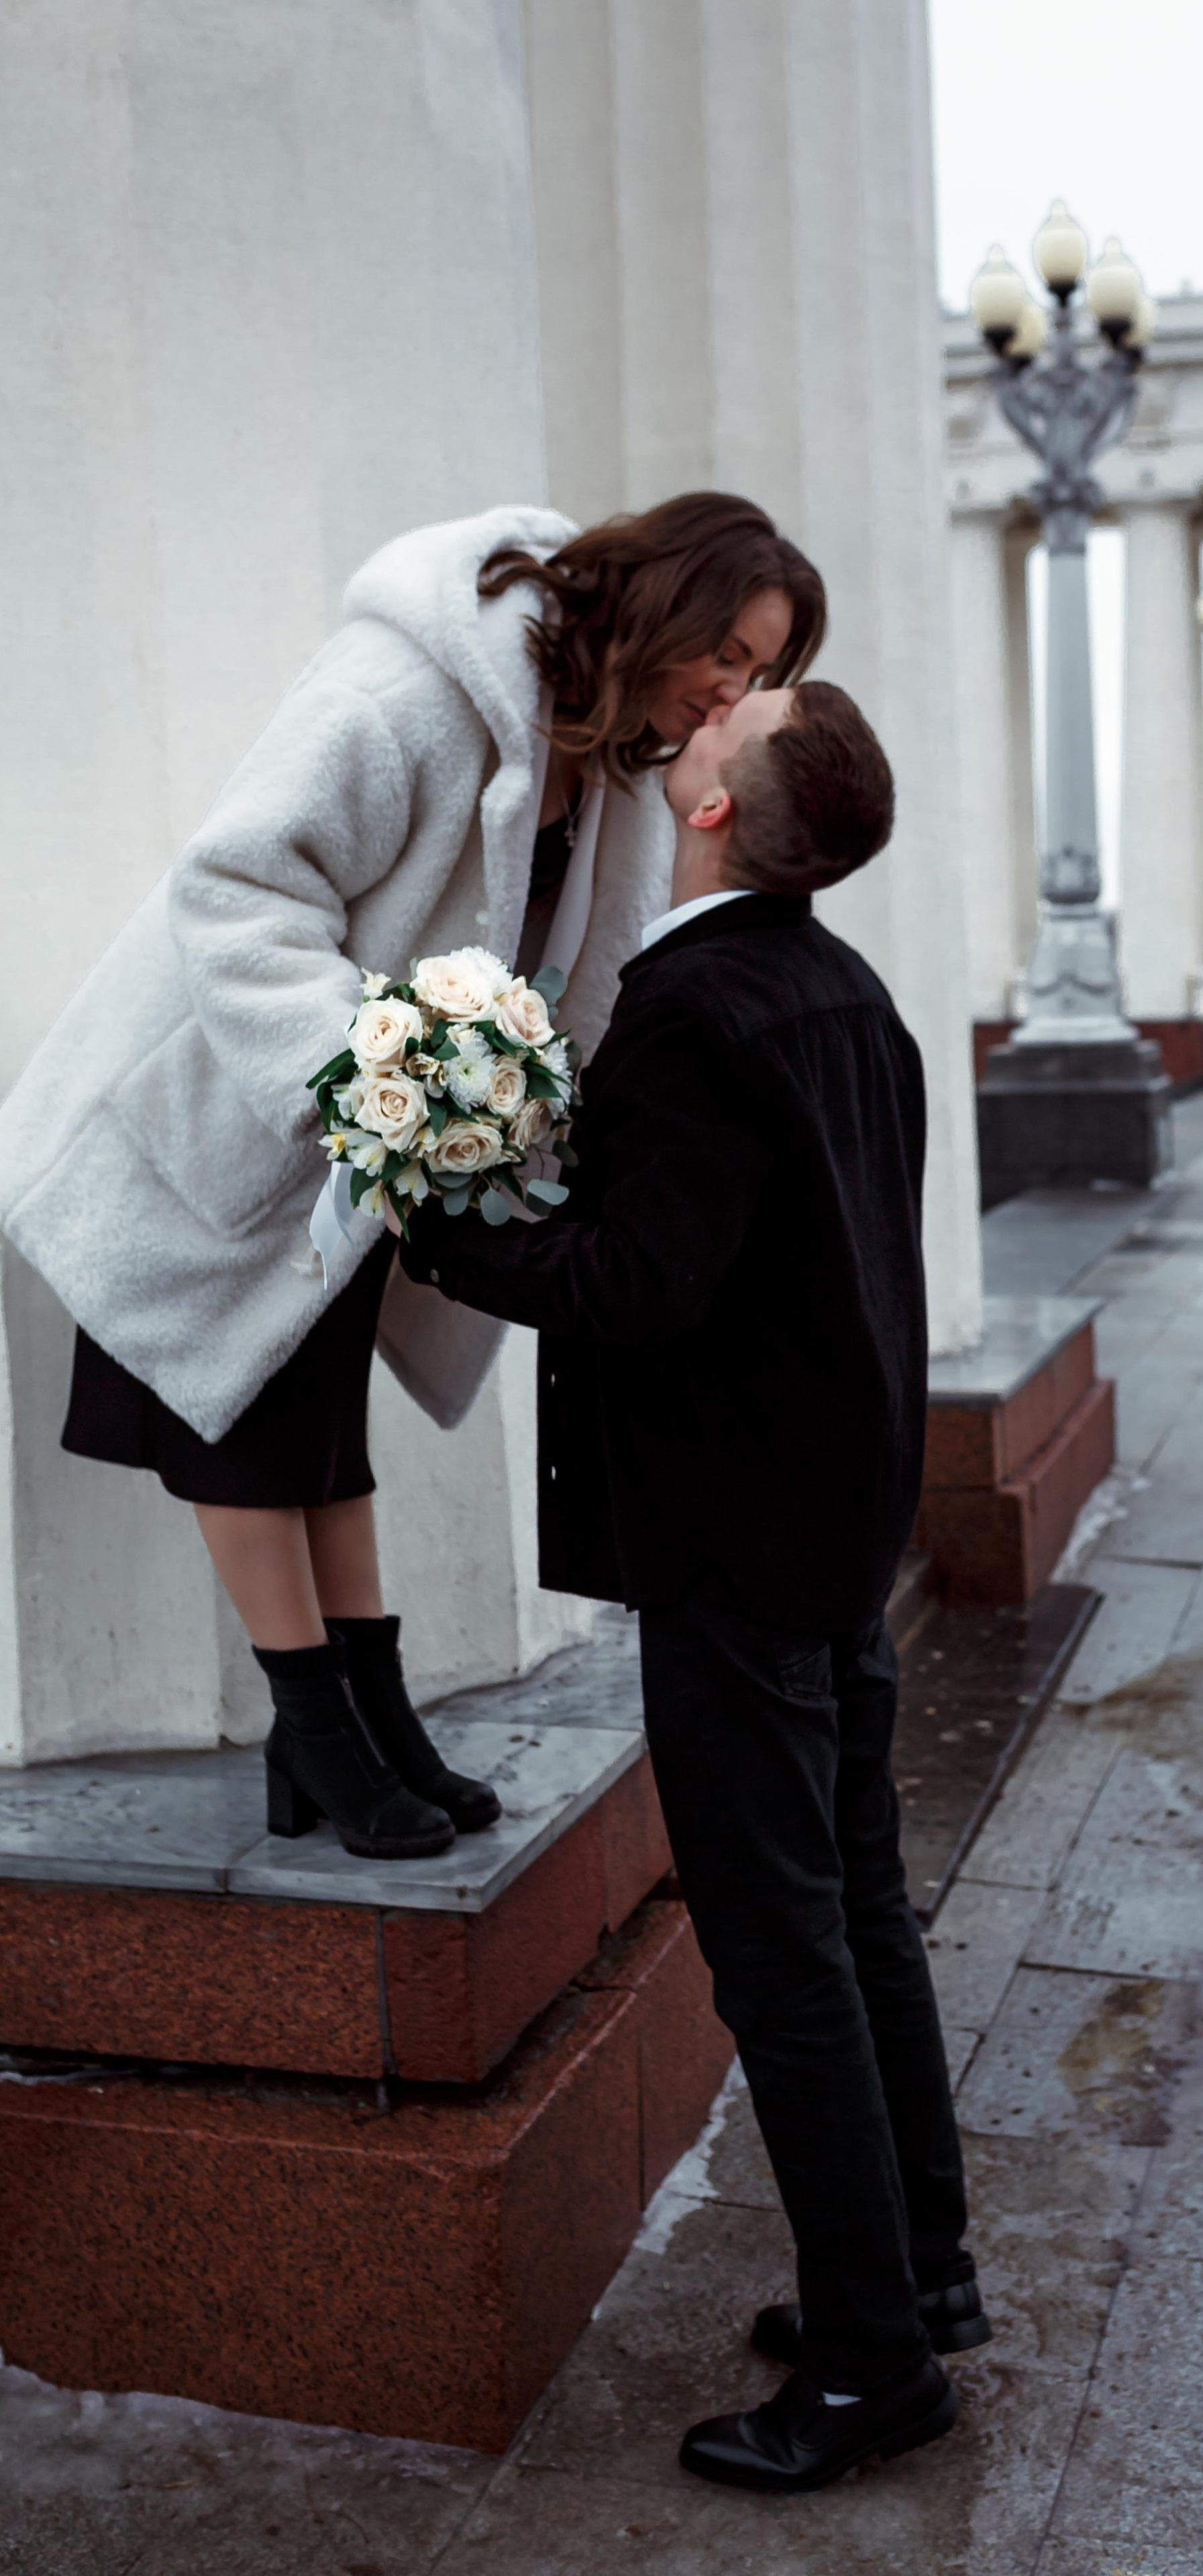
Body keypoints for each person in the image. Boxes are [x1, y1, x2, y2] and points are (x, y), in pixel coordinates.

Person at [0, 495, 824, 1860]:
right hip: (230, 1115)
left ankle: (366, 1718)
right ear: (669, 601)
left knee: (323, 1428)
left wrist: (503, 1119)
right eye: (726, 654)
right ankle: (314, 1728)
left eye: (757, 673)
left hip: (366, 1149)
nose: (730, 692)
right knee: (242, 1427)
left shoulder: (603, 752)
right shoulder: (409, 695)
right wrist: (369, 1066)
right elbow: (236, 884)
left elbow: (582, 973)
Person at [392, 678, 988, 2491]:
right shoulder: (847, 995)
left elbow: (639, 1284)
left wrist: (439, 1210)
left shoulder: (699, 1006)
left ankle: (877, 2367)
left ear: (722, 813)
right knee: (860, 1915)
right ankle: (921, 2278)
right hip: (834, 1525)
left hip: (738, 1543)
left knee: (783, 1951)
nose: (713, 713)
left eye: (744, 716)